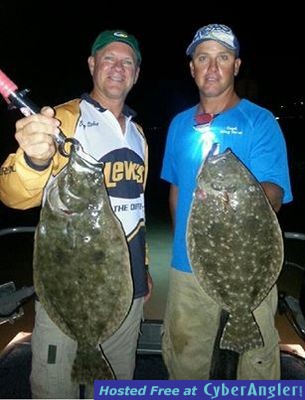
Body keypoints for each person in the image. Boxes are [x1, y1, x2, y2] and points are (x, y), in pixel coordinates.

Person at [0, 29, 152, 398]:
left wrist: (143, 267)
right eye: (109, 58)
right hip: (68, 290)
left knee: (117, 386)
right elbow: (15, 196)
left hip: (127, 292)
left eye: (127, 62)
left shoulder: (138, 134)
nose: (118, 67)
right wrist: (35, 159)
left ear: (135, 73)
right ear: (92, 64)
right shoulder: (63, 120)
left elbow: (136, 210)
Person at [161, 23, 292, 380]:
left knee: (256, 367)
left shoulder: (261, 121)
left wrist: (234, 194)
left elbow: (275, 194)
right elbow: (176, 191)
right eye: (203, 58)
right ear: (192, 68)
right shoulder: (178, 124)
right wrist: (187, 245)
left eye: (223, 57)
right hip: (187, 269)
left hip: (250, 270)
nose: (213, 67)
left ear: (236, 66)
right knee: (187, 363)